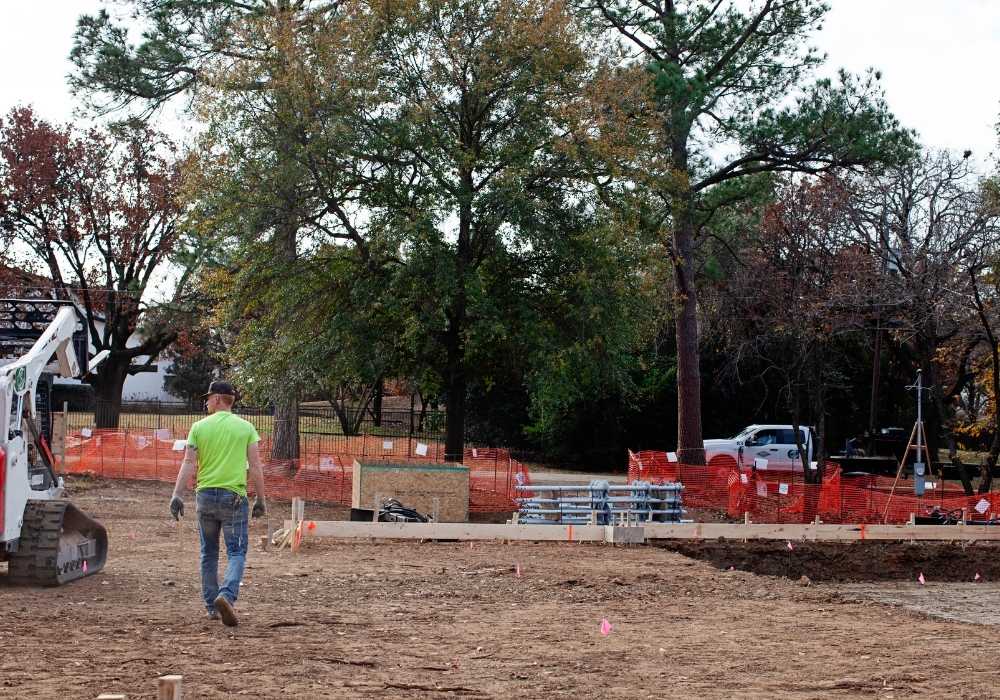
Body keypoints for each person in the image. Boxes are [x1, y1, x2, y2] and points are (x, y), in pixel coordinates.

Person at [169, 381, 267, 626]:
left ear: (218, 399)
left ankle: (212, 606)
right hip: (233, 496)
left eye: (209, 397)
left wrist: (177, 494)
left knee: (208, 553)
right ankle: (227, 595)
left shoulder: (199, 427)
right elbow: (255, 466)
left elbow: (188, 463)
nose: (206, 401)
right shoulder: (246, 428)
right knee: (236, 551)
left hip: (205, 496)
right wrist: (261, 499)